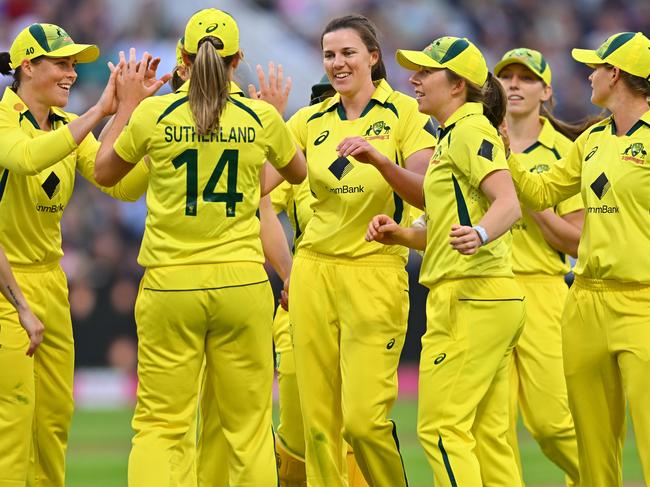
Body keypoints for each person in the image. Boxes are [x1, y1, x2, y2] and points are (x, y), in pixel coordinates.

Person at [94, 8, 306, 486]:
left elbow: (105, 172)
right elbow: (297, 173)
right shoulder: (260, 118)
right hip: (242, 284)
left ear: (183, 60)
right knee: (247, 430)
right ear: (238, 61)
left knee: (161, 428)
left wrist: (127, 104)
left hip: (171, 286)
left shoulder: (156, 113)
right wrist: (273, 118)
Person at [0, 23, 154, 487]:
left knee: (53, 418)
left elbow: (122, 184)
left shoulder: (68, 127)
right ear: (28, 66)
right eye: (62, 63)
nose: (71, 73)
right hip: (7, 283)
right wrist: (100, 110)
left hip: (51, 281)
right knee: (14, 415)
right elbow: (26, 158)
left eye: (74, 65)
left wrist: (139, 122)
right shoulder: (4, 120)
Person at [367, 36, 525, 486]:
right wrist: (406, 235)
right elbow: (456, 223)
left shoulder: (468, 130)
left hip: (471, 297)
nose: (413, 79)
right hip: (485, 295)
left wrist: (479, 233)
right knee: (486, 438)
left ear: (458, 85)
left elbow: (507, 203)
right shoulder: (455, 134)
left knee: (440, 430)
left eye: (425, 72)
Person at [287, 14, 436, 486]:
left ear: (373, 57)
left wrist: (378, 159)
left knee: (363, 422)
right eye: (329, 54)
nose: (337, 63)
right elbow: (265, 180)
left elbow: (425, 193)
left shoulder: (405, 114)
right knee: (317, 424)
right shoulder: (308, 120)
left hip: (375, 271)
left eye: (348, 52)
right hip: (314, 270)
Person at [505, 31, 650, 486]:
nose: (588, 74)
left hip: (642, 302)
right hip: (585, 301)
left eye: (596, 67)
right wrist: (504, 157)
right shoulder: (591, 141)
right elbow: (544, 191)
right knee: (590, 447)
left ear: (616, 74)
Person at [493, 48, 584, 485]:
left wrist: (525, 197)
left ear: (546, 90)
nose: (513, 84)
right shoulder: (477, 142)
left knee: (553, 425)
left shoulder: (567, 152)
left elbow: (577, 239)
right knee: (494, 428)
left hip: (544, 291)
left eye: (526, 78)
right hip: (486, 288)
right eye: (506, 76)